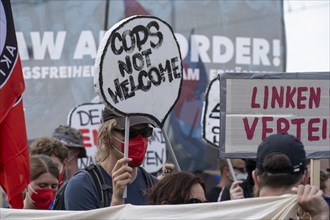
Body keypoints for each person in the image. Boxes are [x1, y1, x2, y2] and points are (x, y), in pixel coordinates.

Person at [64, 107, 158, 210]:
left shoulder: (156, 187)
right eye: (130, 133)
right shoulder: (82, 186)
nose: (139, 139)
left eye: (145, 132)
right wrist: (117, 201)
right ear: (107, 137)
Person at [251, 133, 329, 220]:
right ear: (305, 177)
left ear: (255, 178)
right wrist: (320, 215)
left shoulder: (235, 213)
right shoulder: (322, 212)